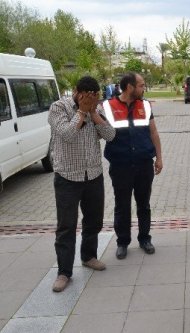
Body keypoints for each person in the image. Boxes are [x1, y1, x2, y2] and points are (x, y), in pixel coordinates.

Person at [48, 76, 116, 292]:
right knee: (66, 226)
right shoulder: (58, 107)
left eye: (94, 96)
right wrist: (80, 112)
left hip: (93, 175)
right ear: (76, 91)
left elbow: (111, 135)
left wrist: (94, 113)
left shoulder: (96, 108)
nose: (89, 100)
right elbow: (67, 134)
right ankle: (64, 272)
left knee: (93, 221)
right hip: (67, 177)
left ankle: (89, 256)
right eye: (85, 96)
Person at [103, 72, 163, 259]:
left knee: (143, 204)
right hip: (120, 165)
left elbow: (153, 133)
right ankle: (122, 242)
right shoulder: (108, 106)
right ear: (129, 87)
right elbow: (100, 132)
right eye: (141, 85)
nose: (143, 89)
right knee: (122, 205)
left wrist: (159, 158)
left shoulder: (145, 105)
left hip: (144, 163)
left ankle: (145, 238)